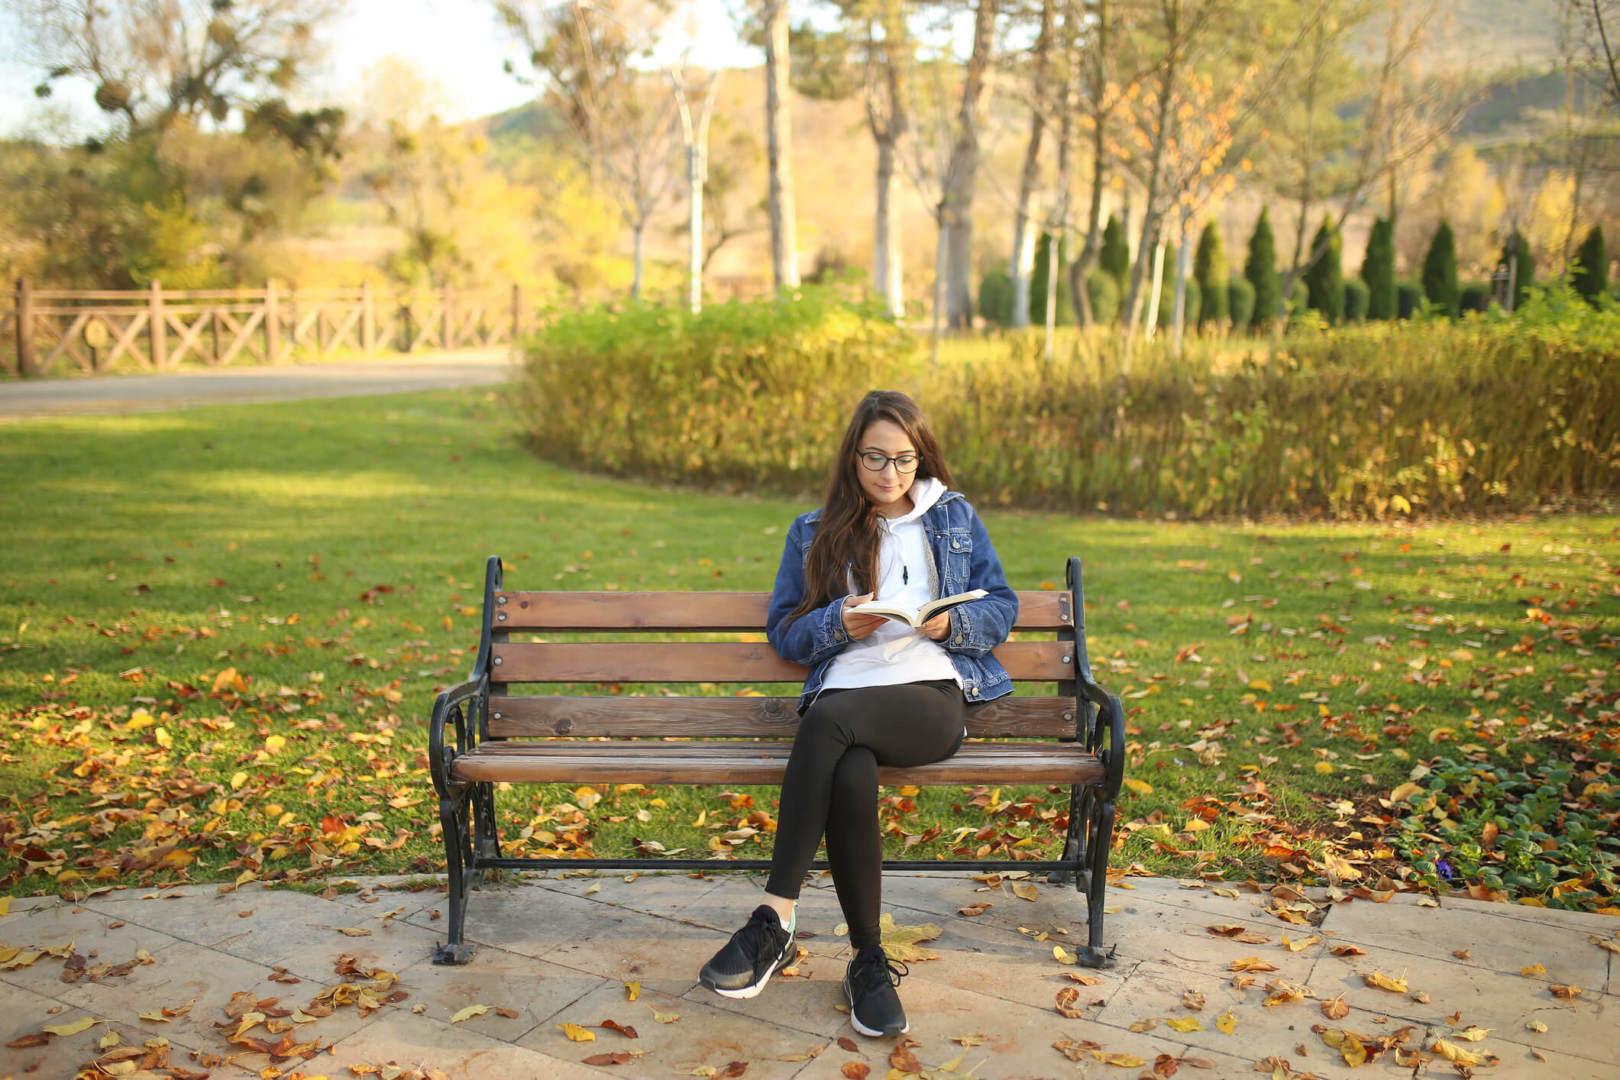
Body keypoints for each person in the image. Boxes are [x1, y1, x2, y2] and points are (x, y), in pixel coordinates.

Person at [697, 389, 1018, 1038]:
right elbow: (786, 631)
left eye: (905, 459)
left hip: (931, 695)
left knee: (826, 725)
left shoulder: (952, 516)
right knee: (850, 773)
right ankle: (867, 963)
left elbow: (1002, 607)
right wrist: (837, 623)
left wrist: (954, 624)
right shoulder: (814, 531)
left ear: (921, 458)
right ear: (852, 457)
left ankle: (774, 919)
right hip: (848, 692)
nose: (890, 474)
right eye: (876, 457)